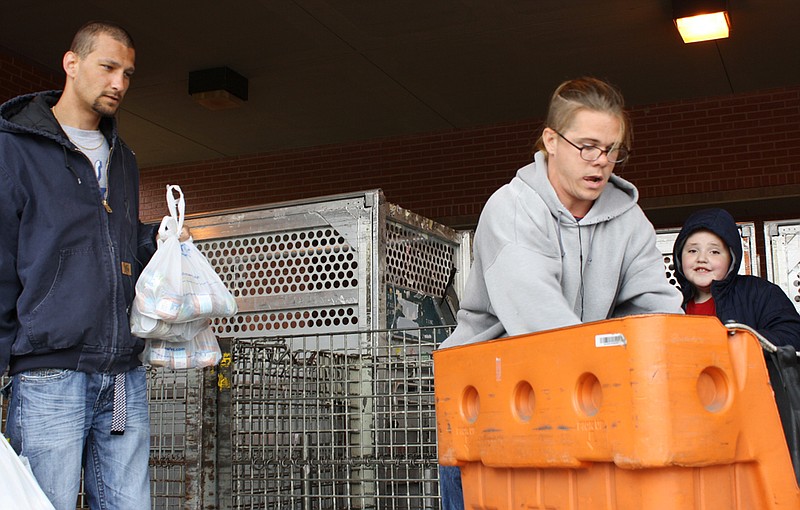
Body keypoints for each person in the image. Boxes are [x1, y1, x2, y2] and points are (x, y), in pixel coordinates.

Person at [436, 77, 684, 508]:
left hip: (579, 407)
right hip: (488, 410)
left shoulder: (630, 221)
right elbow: (543, 325)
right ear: (551, 140)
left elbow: (657, 314)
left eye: (612, 150)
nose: (601, 161)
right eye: (587, 146)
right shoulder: (512, 209)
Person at [0, 21, 156, 510]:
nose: (119, 84)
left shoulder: (123, 157)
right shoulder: (13, 148)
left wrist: (161, 241)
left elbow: (116, 247)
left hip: (122, 375)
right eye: (108, 67)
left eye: (127, 73)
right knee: (43, 504)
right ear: (72, 63)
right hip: (50, 373)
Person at [672, 207, 800, 348]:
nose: (701, 258)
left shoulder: (760, 293)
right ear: (679, 256)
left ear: (731, 259)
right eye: (692, 251)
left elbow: (792, 335)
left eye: (714, 251)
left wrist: (735, 342)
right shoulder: (670, 304)